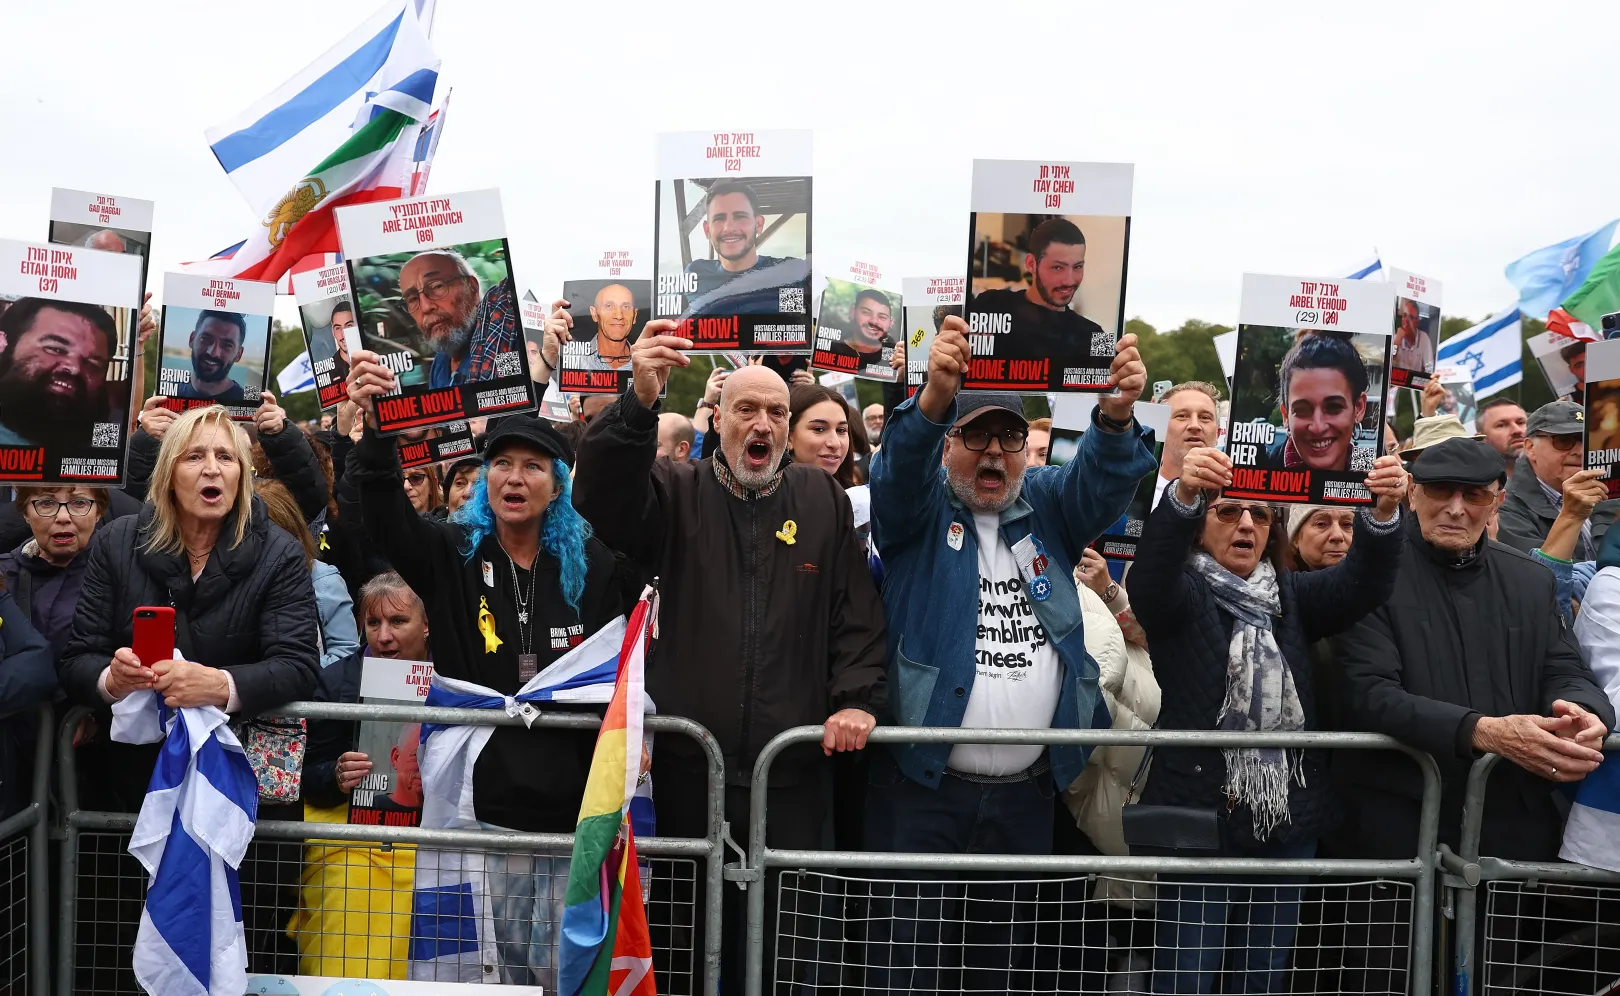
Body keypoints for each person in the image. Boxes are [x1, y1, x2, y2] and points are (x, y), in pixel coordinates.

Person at [572, 319, 886, 994]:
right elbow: (598, 497)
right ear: (716, 418)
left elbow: (853, 617)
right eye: (746, 409)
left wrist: (857, 698)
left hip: (794, 775)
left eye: (777, 411)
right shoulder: (673, 490)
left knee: (790, 954)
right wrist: (637, 402)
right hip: (692, 776)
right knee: (689, 950)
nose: (763, 424)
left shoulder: (822, 501)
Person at [862, 315, 1154, 992]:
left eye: (1011, 438)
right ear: (947, 445)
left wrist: (1114, 418)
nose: (994, 454)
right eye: (975, 437)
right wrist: (934, 395)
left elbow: (1103, 486)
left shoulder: (1047, 504)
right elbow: (899, 469)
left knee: (999, 972)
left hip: (1025, 798)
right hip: (922, 791)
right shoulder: (919, 512)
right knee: (906, 969)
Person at [347, 347, 626, 988]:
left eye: (533, 465)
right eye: (501, 463)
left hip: (568, 810)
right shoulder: (450, 552)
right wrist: (377, 433)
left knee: (559, 967)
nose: (514, 477)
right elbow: (387, 519)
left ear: (557, 483)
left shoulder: (593, 564)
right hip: (478, 804)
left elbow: (616, 672)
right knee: (477, 970)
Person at [1329, 436, 1613, 989]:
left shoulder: (1528, 580)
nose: (1456, 508)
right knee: (1388, 977)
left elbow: (1565, 667)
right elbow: (1368, 692)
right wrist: (1482, 732)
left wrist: (1583, 712)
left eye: (1473, 495)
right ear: (1413, 492)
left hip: (1506, 831)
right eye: (1440, 491)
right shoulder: (1369, 574)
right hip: (1395, 833)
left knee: (1500, 977)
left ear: (1498, 499)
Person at [1128, 444, 1406, 995]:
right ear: (1201, 525)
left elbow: (1365, 584)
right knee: (1187, 978)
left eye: (1261, 514)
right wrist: (1183, 495)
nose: (1246, 525)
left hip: (1286, 822)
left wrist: (1383, 514)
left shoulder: (1292, 597)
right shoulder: (1181, 595)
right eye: (1228, 511)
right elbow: (1150, 578)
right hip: (1200, 819)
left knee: (1260, 980)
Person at [60, 405, 321, 980]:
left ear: (243, 473)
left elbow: (300, 665)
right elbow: (76, 656)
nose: (213, 469)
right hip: (133, 792)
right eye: (195, 455)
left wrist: (221, 686)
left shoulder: (276, 552)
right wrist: (113, 676)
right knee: (127, 948)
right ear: (168, 474)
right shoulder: (116, 543)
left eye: (226, 457)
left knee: (233, 950)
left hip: (236, 795)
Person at [296, 571, 431, 980]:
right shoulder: (335, 683)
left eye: (398, 622)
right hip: (350, 838)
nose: (384, 636)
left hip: (430, 836)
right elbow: (303, 775)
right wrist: (335, 776)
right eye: (373, 623)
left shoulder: (458, 678)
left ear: (427, 624)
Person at [967, 217, 1106, 369]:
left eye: (1078, 267)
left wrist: (1120, 387)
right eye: (1058, 268)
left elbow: (1108, 386)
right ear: (1031, 264)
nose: (1069, 281)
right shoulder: (990, 305)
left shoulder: (1096, 335)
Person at [1498, 400, 1619, 557]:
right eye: (1564, 441)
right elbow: (1536, 575)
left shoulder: (1611, 490)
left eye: (1588, 441)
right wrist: (1571, 515)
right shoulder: (1504, 506)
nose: (1581, 451)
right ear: (1530, 448)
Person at [0, 297, 120, 447]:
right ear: (4, 344)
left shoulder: (103, 431)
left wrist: (140, 344)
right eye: (56, 349)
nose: (74, 368)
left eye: (93, 364)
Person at [681, 179, 809, 317]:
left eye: (740, 216)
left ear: (758, 224)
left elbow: (802, 321)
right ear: (707, 230)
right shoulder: (696, 274)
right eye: (719, 218)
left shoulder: (788, 274)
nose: (729, 228)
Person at [396, 250, 520, 389]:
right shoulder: (441, 362)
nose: (425, 307)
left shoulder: (504, 344)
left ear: (472, 288)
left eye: (437, 286)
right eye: (413, 299)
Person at [1264, 331, 1371, 472]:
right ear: (1285, 415)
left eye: (1334, 408)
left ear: (1359, 408)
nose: (1317, 427)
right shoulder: (1258, 473)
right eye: (1302, 410)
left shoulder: (1372, 471)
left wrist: (1403, 491)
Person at [1156, 382, 1222, 508]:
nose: (1195, 425)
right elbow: (1134, 528)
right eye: (1182, 416)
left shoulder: (1233, 496)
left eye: (1205, 417)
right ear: (1161, 428)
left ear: (1218, 433)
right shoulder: (1138, 491)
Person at [788, 383, 857, 487]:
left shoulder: (856, 499)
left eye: (841, 430)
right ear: (788, 437)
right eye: (819, 429)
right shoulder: (765, 500)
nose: (835, 443)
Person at [174, 310, 251, 401]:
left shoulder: (250, 400)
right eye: (205, 339)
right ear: (192, 339)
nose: (213, 353)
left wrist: (270, 412)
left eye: (227, 345)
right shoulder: (168, 391)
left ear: (239, 354)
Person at [573, 282, 637, 370]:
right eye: (609, 306)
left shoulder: (646, 363)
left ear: (635, 315)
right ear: (594, 313)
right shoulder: (574, 358)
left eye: (626, 307)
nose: (619, 316)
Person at [826, 289, 896, 362]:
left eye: (882, 317)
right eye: (866, 313)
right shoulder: (832, 350)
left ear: (890, 323)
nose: (874, 321)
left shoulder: (894, 355)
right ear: (853, 313)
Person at [1478, 397, 1528, 479]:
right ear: (1481, 439)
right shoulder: (1479, 488)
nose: (1517, 430)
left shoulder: (1553, 473)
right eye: (1501, 425)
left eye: (1521, 422)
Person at [1393, 297, 1434, 374]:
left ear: (1417, 322)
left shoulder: (1424, 338)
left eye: (1410, 317)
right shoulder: (1397, 338)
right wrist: (1397, 340)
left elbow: (1429, 368)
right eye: (1404, 315)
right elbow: (1389, 362)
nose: (1406, 320)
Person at [329, 299, 356, 385]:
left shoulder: (373, 357)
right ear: (333, 332)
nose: (344, 334)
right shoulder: (329, 371)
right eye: (338, 328)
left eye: (349, 326)